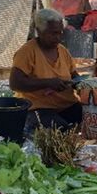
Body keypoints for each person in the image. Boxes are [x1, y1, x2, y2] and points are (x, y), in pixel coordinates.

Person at [10, 8, 82, 136]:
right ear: (39, 31)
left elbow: (74, 75)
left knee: (92, 120)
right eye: (53, 33)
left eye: (60, 33)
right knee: (61, 131)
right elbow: (15, 83)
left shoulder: (63, 51)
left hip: (67, 105)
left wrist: (79, 84)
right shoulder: (27, 51)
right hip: (39, 109)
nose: (58, 37)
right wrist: (47, 83)